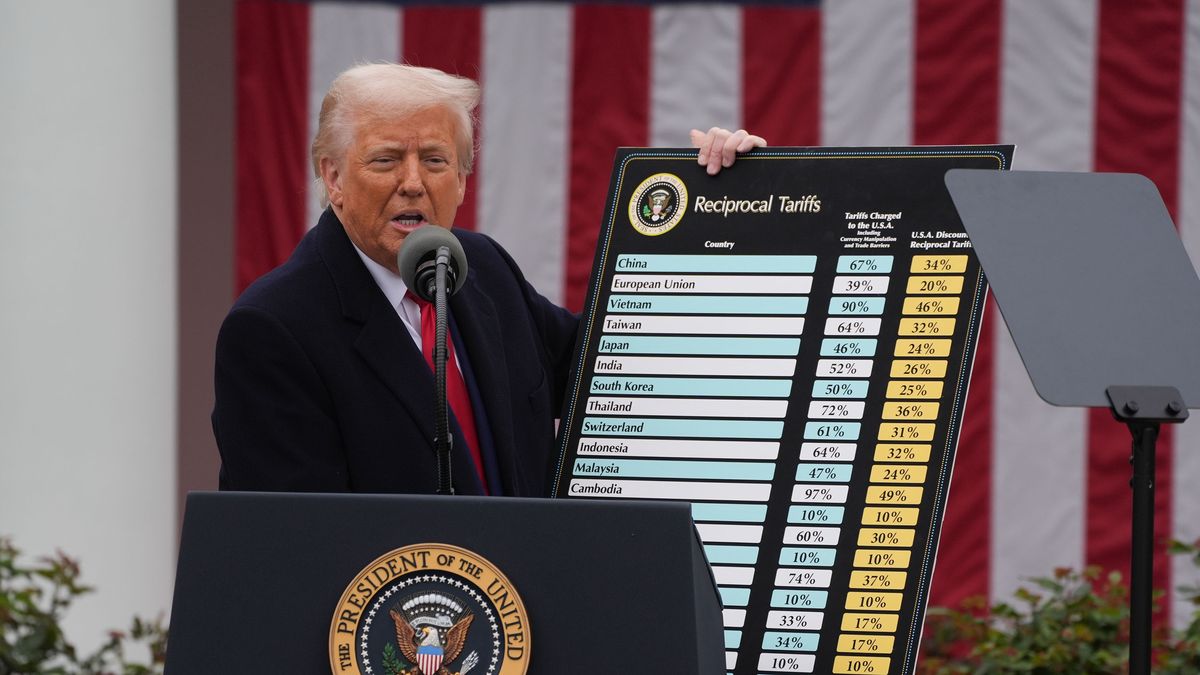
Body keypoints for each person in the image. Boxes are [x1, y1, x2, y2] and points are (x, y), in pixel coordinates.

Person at [213, 63, 764, 495]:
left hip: (534, 623)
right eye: (385, 161)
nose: (412, 183)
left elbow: (618, 372)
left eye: (434, 160)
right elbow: (292, 545)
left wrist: (725, 209)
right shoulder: (273, 329)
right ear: (332, 176)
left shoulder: (483, 270)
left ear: (462, 178)